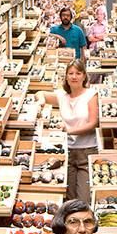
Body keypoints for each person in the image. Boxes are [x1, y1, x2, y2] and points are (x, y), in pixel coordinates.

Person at [35, 60, 98, 201]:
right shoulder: (61, 95)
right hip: (67, 152)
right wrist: (40, 102)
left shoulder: (91, 95)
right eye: (71, 73)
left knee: (84, 199)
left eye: (78, 73)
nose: (74, 77)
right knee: (68, 198)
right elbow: (40, 93)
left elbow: (93, 123)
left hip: (87, 151)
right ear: (66, 77)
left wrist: (69, 130)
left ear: (84, 76)